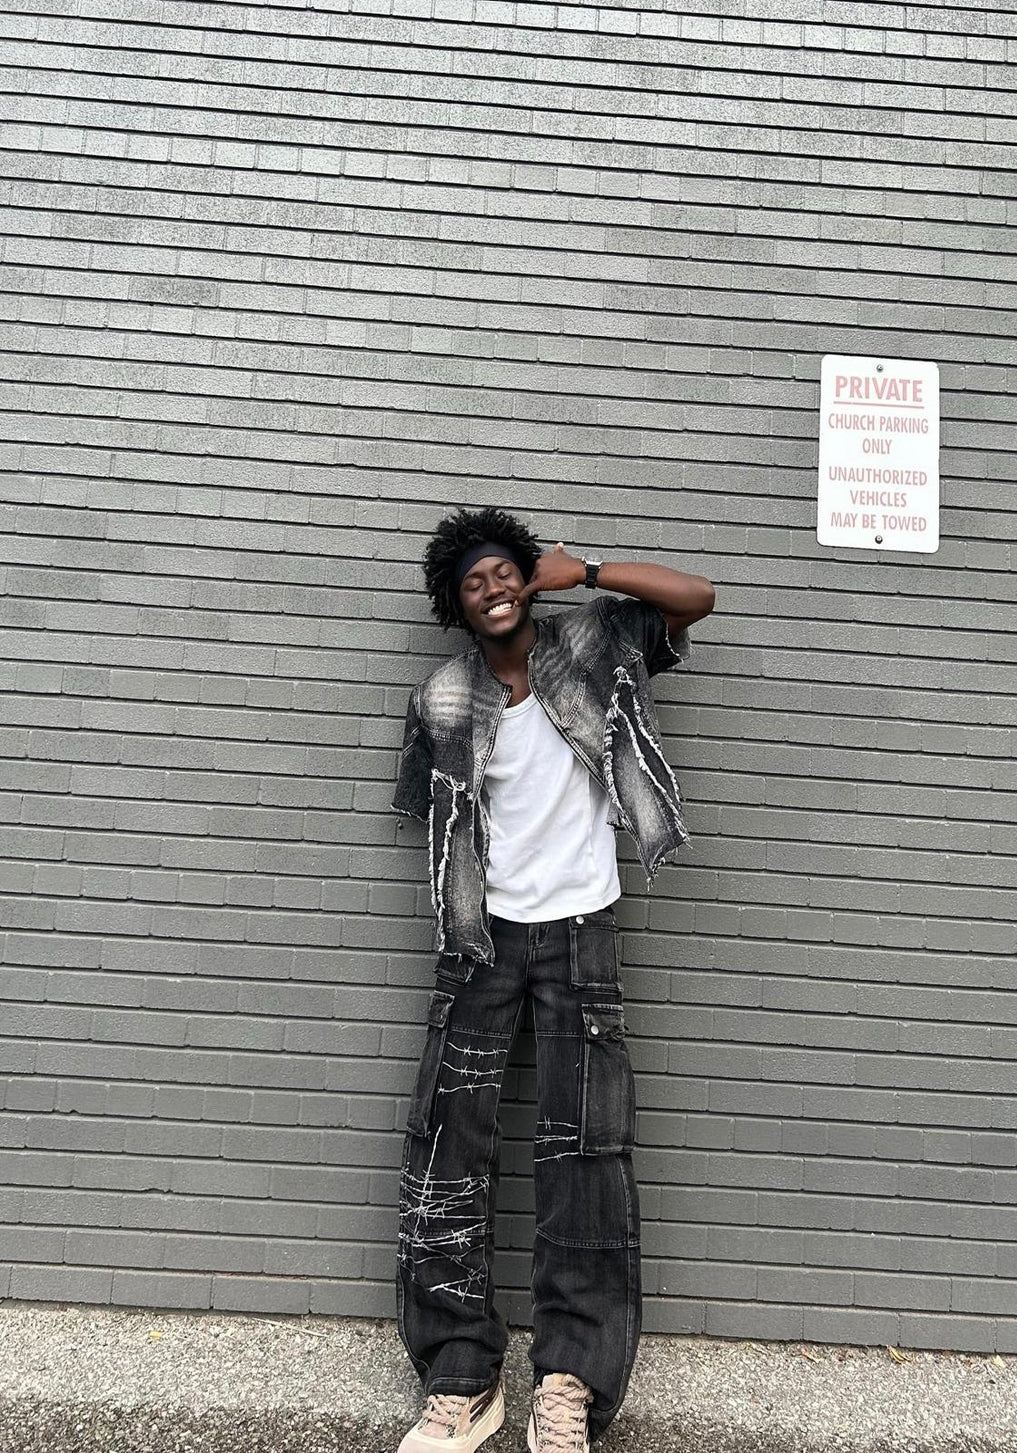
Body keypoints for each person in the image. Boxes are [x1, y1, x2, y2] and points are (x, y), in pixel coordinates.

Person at [391, 505, 715, 1452]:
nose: (491, 590)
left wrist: (595, 569)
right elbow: (430, 811)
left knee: (588, 1157)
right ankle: (460, 1376)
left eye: (504, 573)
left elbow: (699, 598)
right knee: (448, 1148)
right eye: (472, 583)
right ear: (454, 603)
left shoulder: (596, 644)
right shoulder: (441, 697)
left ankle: (570, 1379)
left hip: (581, 931)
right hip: (480, 938)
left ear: (528, 578)